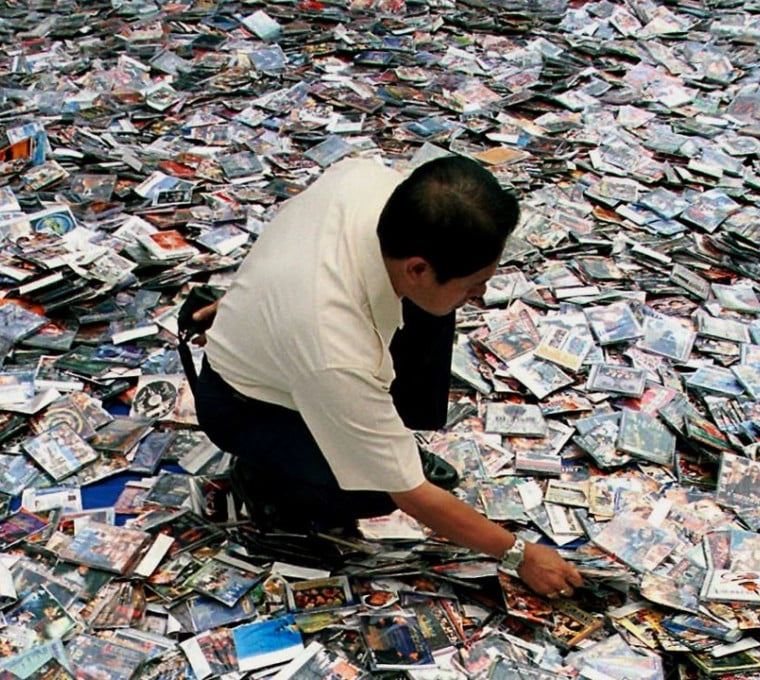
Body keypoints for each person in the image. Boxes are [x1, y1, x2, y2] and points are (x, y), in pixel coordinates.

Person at [192, 155, 581, 599]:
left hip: (292, 343)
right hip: (246, 407)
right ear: (416, 268)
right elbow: (411, 494)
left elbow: (295, 242)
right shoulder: (335, 347)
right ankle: (268, 482)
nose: (483, 296)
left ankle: (383, 434)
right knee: (375, 491)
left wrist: (246, 303)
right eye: (475, 283)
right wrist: (519, 554)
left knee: (439, 308)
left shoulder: (368, 180)